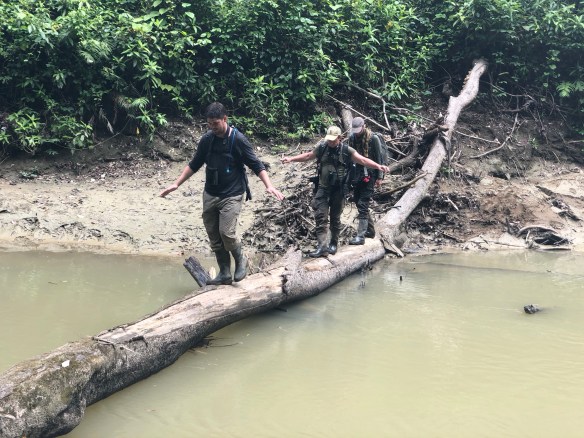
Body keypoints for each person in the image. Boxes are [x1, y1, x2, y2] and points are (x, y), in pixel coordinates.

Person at [160, 102, 284, 285]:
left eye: (215, 123)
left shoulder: (238, 139)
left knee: (226, 233)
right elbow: (194, 164)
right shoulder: (207, 140)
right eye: (209, 124)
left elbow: (256, 164)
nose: (212, 127)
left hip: (232, 194)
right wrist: (176, 184)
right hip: (210, 193)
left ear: (225, 119)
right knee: (214, 236)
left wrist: (269, 185)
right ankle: (224, 272)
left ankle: (241, 260)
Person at [281, 125, 389, 257]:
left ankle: (333, 243)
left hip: (339, 190)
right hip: (323, 188)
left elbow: (362, 160)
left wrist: (378, 166)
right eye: (329, 139)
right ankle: (322, 246)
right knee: (321, 216)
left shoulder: (347, 150)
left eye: (333, 140)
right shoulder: (322, 147)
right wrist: (291, 159)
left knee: (335, 218)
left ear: (339, 138)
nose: (330, 142)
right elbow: (308, 155)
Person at [345, 117, 387, 245]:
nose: (357, 133)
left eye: (359, 130)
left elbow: (379, 158)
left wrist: (380, 177)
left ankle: (361, 236)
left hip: (371, 174)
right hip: (357, 174)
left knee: (363, 203)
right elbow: (350, 157)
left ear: (364, 126)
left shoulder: (373, 138)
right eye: (355, 130)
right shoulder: (352, 138)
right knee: (358, 201)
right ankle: (370, 230)